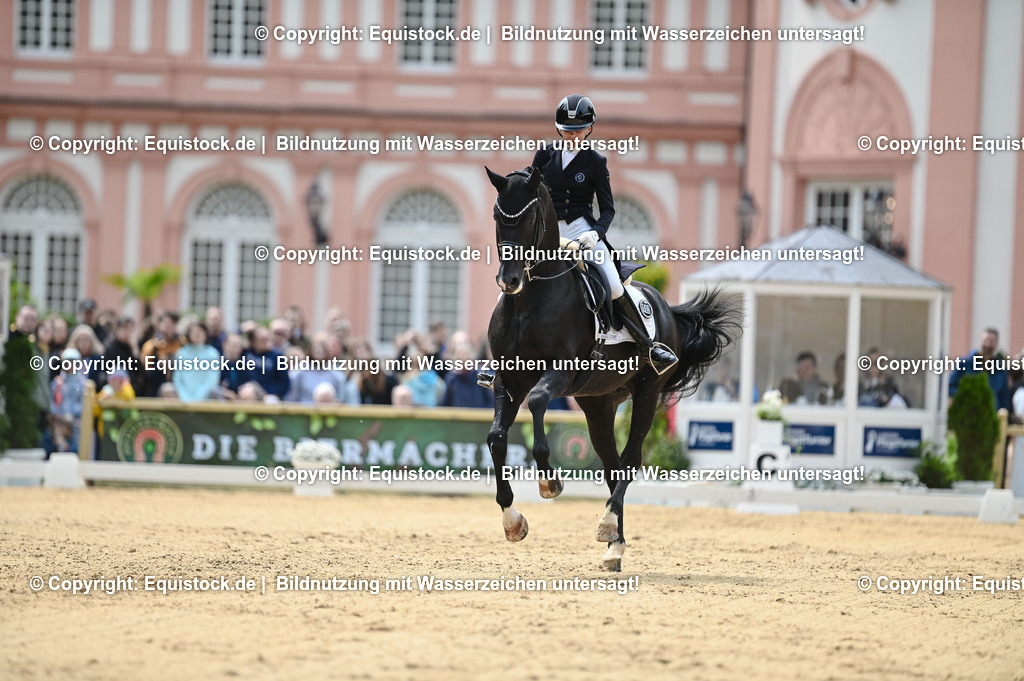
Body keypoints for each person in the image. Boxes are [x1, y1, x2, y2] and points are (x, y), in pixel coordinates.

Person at [531, 94, 677, 374]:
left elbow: (608, 210)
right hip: (549, 232)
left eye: (578, 130)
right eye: (566, 130)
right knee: (515, 280)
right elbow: (530, 188)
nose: (572, 135)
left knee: (613, 285)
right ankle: (498, 356)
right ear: (558, 129)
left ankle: (648, 346)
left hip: (582, 230)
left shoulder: (596, 162)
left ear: (588, 129)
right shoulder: (544, 155)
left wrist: (595, 235)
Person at [949, 327, 1012, 412]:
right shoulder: (964, 363)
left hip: (992, 416)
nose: (988, 344)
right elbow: (950, 386)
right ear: (981, 341)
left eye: (992, 341)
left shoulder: (1001, 369)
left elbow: (1004, 397)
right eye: (986, 340)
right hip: (968, 414)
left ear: (996, 344)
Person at [172, 321, 221, 402]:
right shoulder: (181, 353)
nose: (197, 334)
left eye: (200, 332)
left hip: (206, 402)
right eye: (193, 332)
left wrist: (196, 400)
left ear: (205, 333)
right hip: (184, 402)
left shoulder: (212, 354)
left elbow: (211, 380)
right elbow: (177, 380)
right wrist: (186, 399)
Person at [139, 311, 183, 397]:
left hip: (178, 392)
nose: (169, 327)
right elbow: (144, 375)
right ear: (160, 325)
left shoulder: (182, 344)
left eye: (173, 324)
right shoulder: (151, 346)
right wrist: (159, 365)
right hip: (155, 392)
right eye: (166, 324)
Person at [244, 327, 290, 399]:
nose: (267, 342)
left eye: (268, 339)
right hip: (247, 393)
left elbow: (284, 383)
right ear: (254, 341)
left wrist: (269, 393)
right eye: (263, 339)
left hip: (268, 395)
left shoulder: (277, 356)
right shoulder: (246, 353)